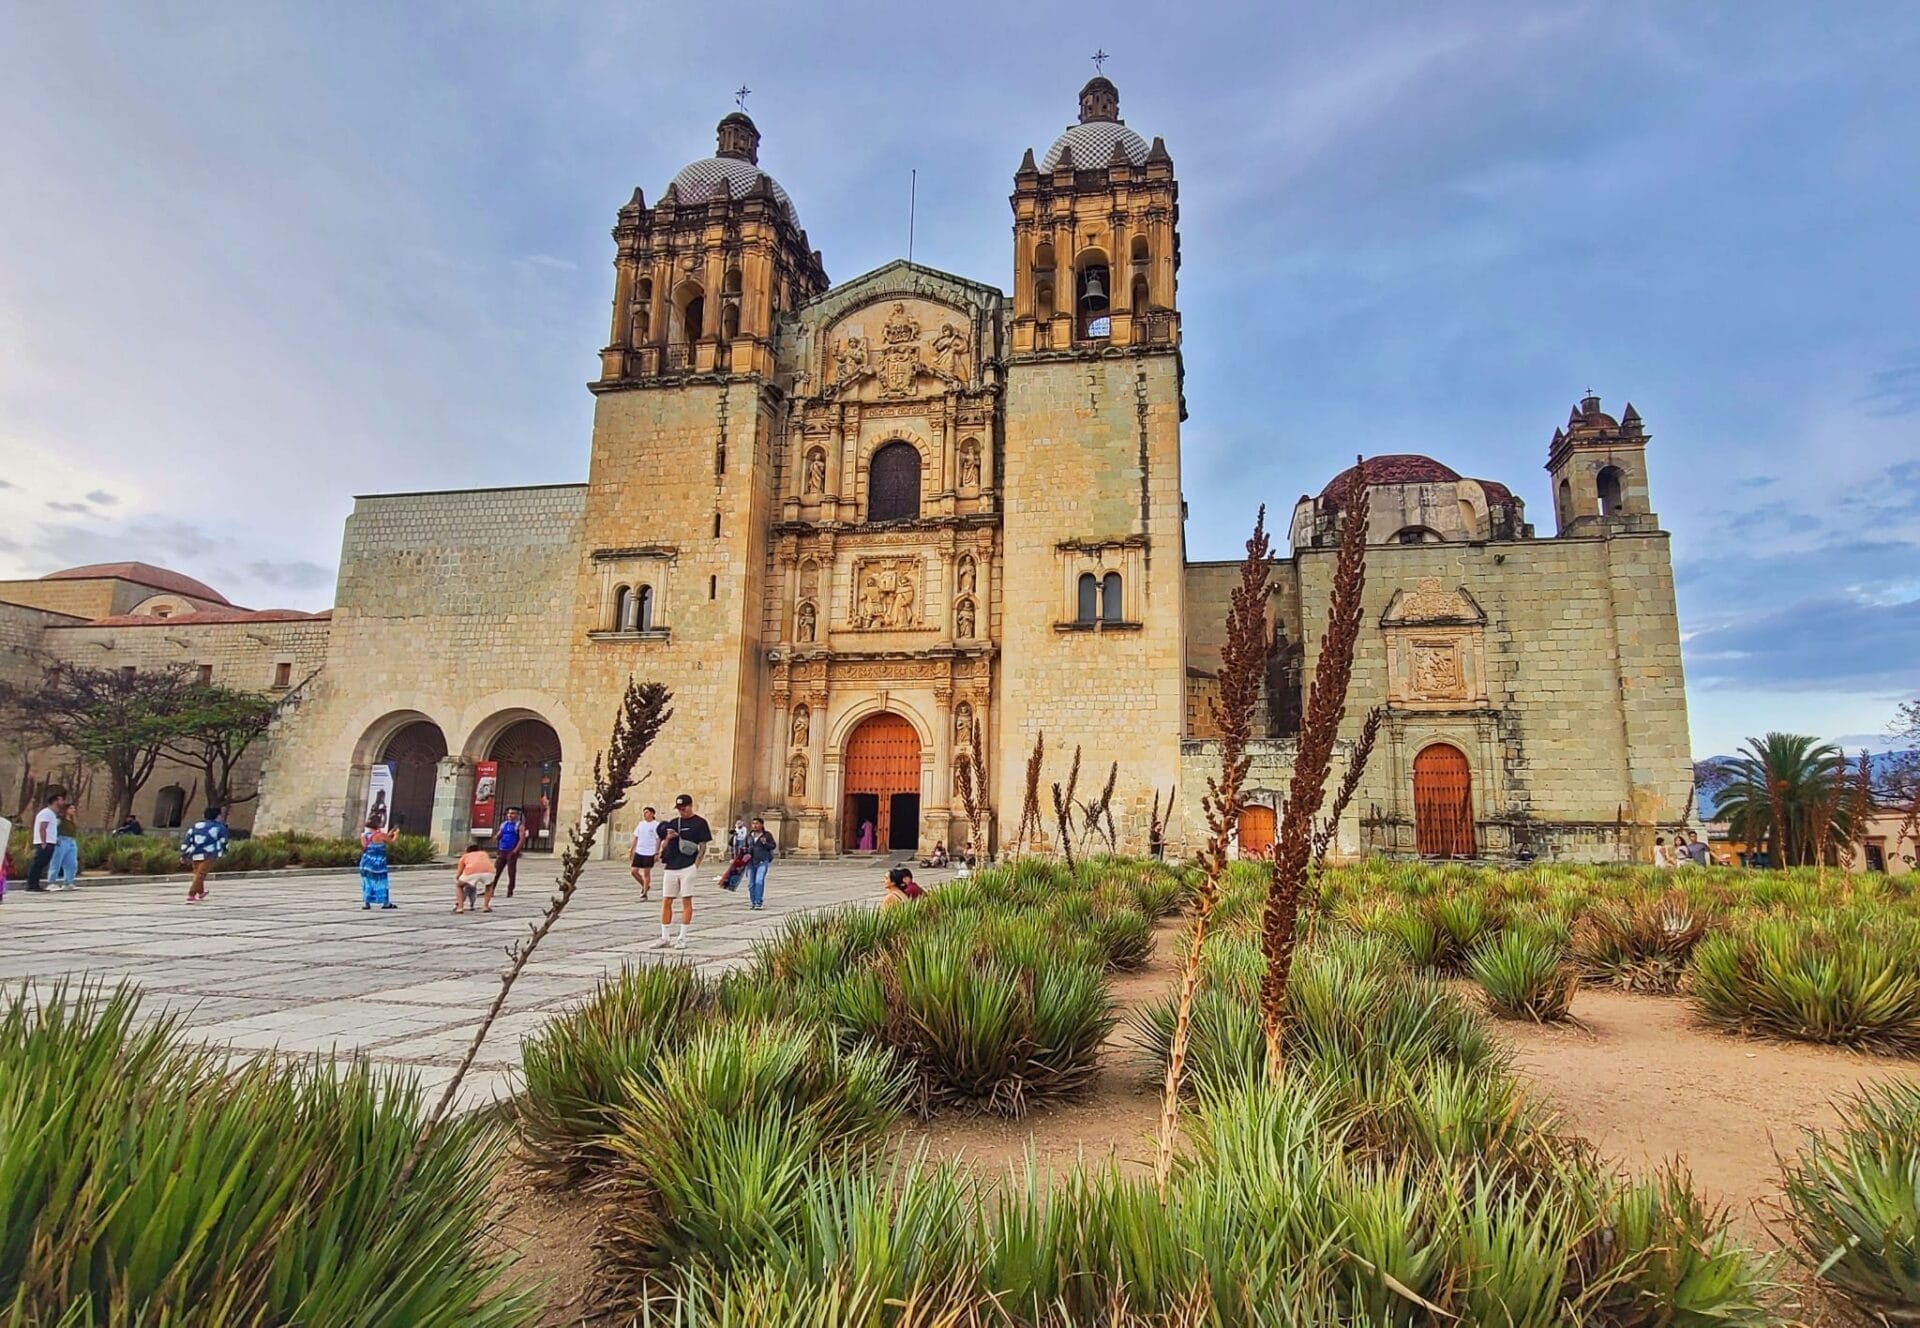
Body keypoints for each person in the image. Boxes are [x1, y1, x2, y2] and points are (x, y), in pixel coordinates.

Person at [651, 793, 712, 950]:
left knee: (686, 901)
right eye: (679, 808)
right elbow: (664, 846)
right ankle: (665, 936)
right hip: (671, 866)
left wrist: (696, 864)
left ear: (691, 806)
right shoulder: (673, 822)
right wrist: (668, 839)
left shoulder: (700, 823)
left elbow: (703, 846)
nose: (681, 811)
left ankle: (682, 937)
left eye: (683, 808)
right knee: (666, 901)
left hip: (688, 866)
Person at [180, 806, 229, 902]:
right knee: (201, 874)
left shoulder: (196, 826)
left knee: (197, 874)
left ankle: (201, 892)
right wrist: (225, 851)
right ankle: (191, 894)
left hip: (195, 853)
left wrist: (184, 853)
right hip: (209, 853)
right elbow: (224, 841)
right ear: (218, 816)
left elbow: (188, 839)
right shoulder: (219, 827)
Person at [25, 792, 66, 892]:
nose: (63, 802)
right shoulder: (46, 813)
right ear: (55, 801)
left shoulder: (52, 814)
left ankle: (35, 884)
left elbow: (50, 829)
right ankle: (32, 885)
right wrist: (43, 842)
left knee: (42, 864)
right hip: (44, 843)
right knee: (38, 863)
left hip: (50, 842)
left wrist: (54, 840)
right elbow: (42, 828)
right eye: (61, 800)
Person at [359, 814, 399, 910]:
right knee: (381, 882)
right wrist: (396, 834)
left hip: (365, 862)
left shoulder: (364, 835)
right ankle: (385, 903)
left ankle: (366, 903)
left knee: (367, 882)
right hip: (378, 864)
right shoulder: (381, 835)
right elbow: (393, 842)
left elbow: (372, 843)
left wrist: (389, 834)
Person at [454, 840, 496, 913]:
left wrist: (458, 878)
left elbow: (460, 871)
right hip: (489, 872)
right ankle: (485, 906)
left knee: (459, 886)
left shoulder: (465, 856)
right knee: (489, 885)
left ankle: (460, 907)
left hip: (471, 872)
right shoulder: (484, 853)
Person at [745, 816, 776, 910]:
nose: (754, 825)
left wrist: (765, 843)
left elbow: (773, 846)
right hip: (750, 861)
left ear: (761, 825)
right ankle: (753, 901)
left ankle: (758, 902)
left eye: (757, 824)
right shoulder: (749, 836)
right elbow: (744, 847)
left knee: (759, 881)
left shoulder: (767, 835)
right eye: (753, 824)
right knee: (751, 883)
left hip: (762, 860)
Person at [494, 807, 526, 898]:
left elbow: (522, 839)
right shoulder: (504, 824)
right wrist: (497, 837)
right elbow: (499, 834)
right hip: (502, 850)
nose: (510, 815)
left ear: (517, 815)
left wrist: (515, 851)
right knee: (496, 871)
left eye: (512, 813)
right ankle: (491, 889)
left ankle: (510, 890)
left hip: (511, 851)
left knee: (511, 872)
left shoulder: (519, 826)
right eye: (509, 813)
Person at [630, 805, 660, 900]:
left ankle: (645, 892)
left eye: (647, 812)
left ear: (652, 814)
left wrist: (656, 852)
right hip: (639, 851)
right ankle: (645, 885)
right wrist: (632, 849)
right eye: (644, 812)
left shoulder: (656, 825)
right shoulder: (641, 824)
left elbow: (658, 839)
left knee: (646, 873)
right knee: (634, 871)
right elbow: (636, 837)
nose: (645, 814)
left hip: (649, 852)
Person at [49, 802, 80, 890]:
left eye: (73, 808)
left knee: (72, 863)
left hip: (71, 841)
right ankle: (52, 882)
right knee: (56, 862)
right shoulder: (59, 820)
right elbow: (52, 828)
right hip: (61, 840)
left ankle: (68, 882)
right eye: (71, 808)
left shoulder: (72, 821)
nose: (73, 810)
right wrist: (55, 839)